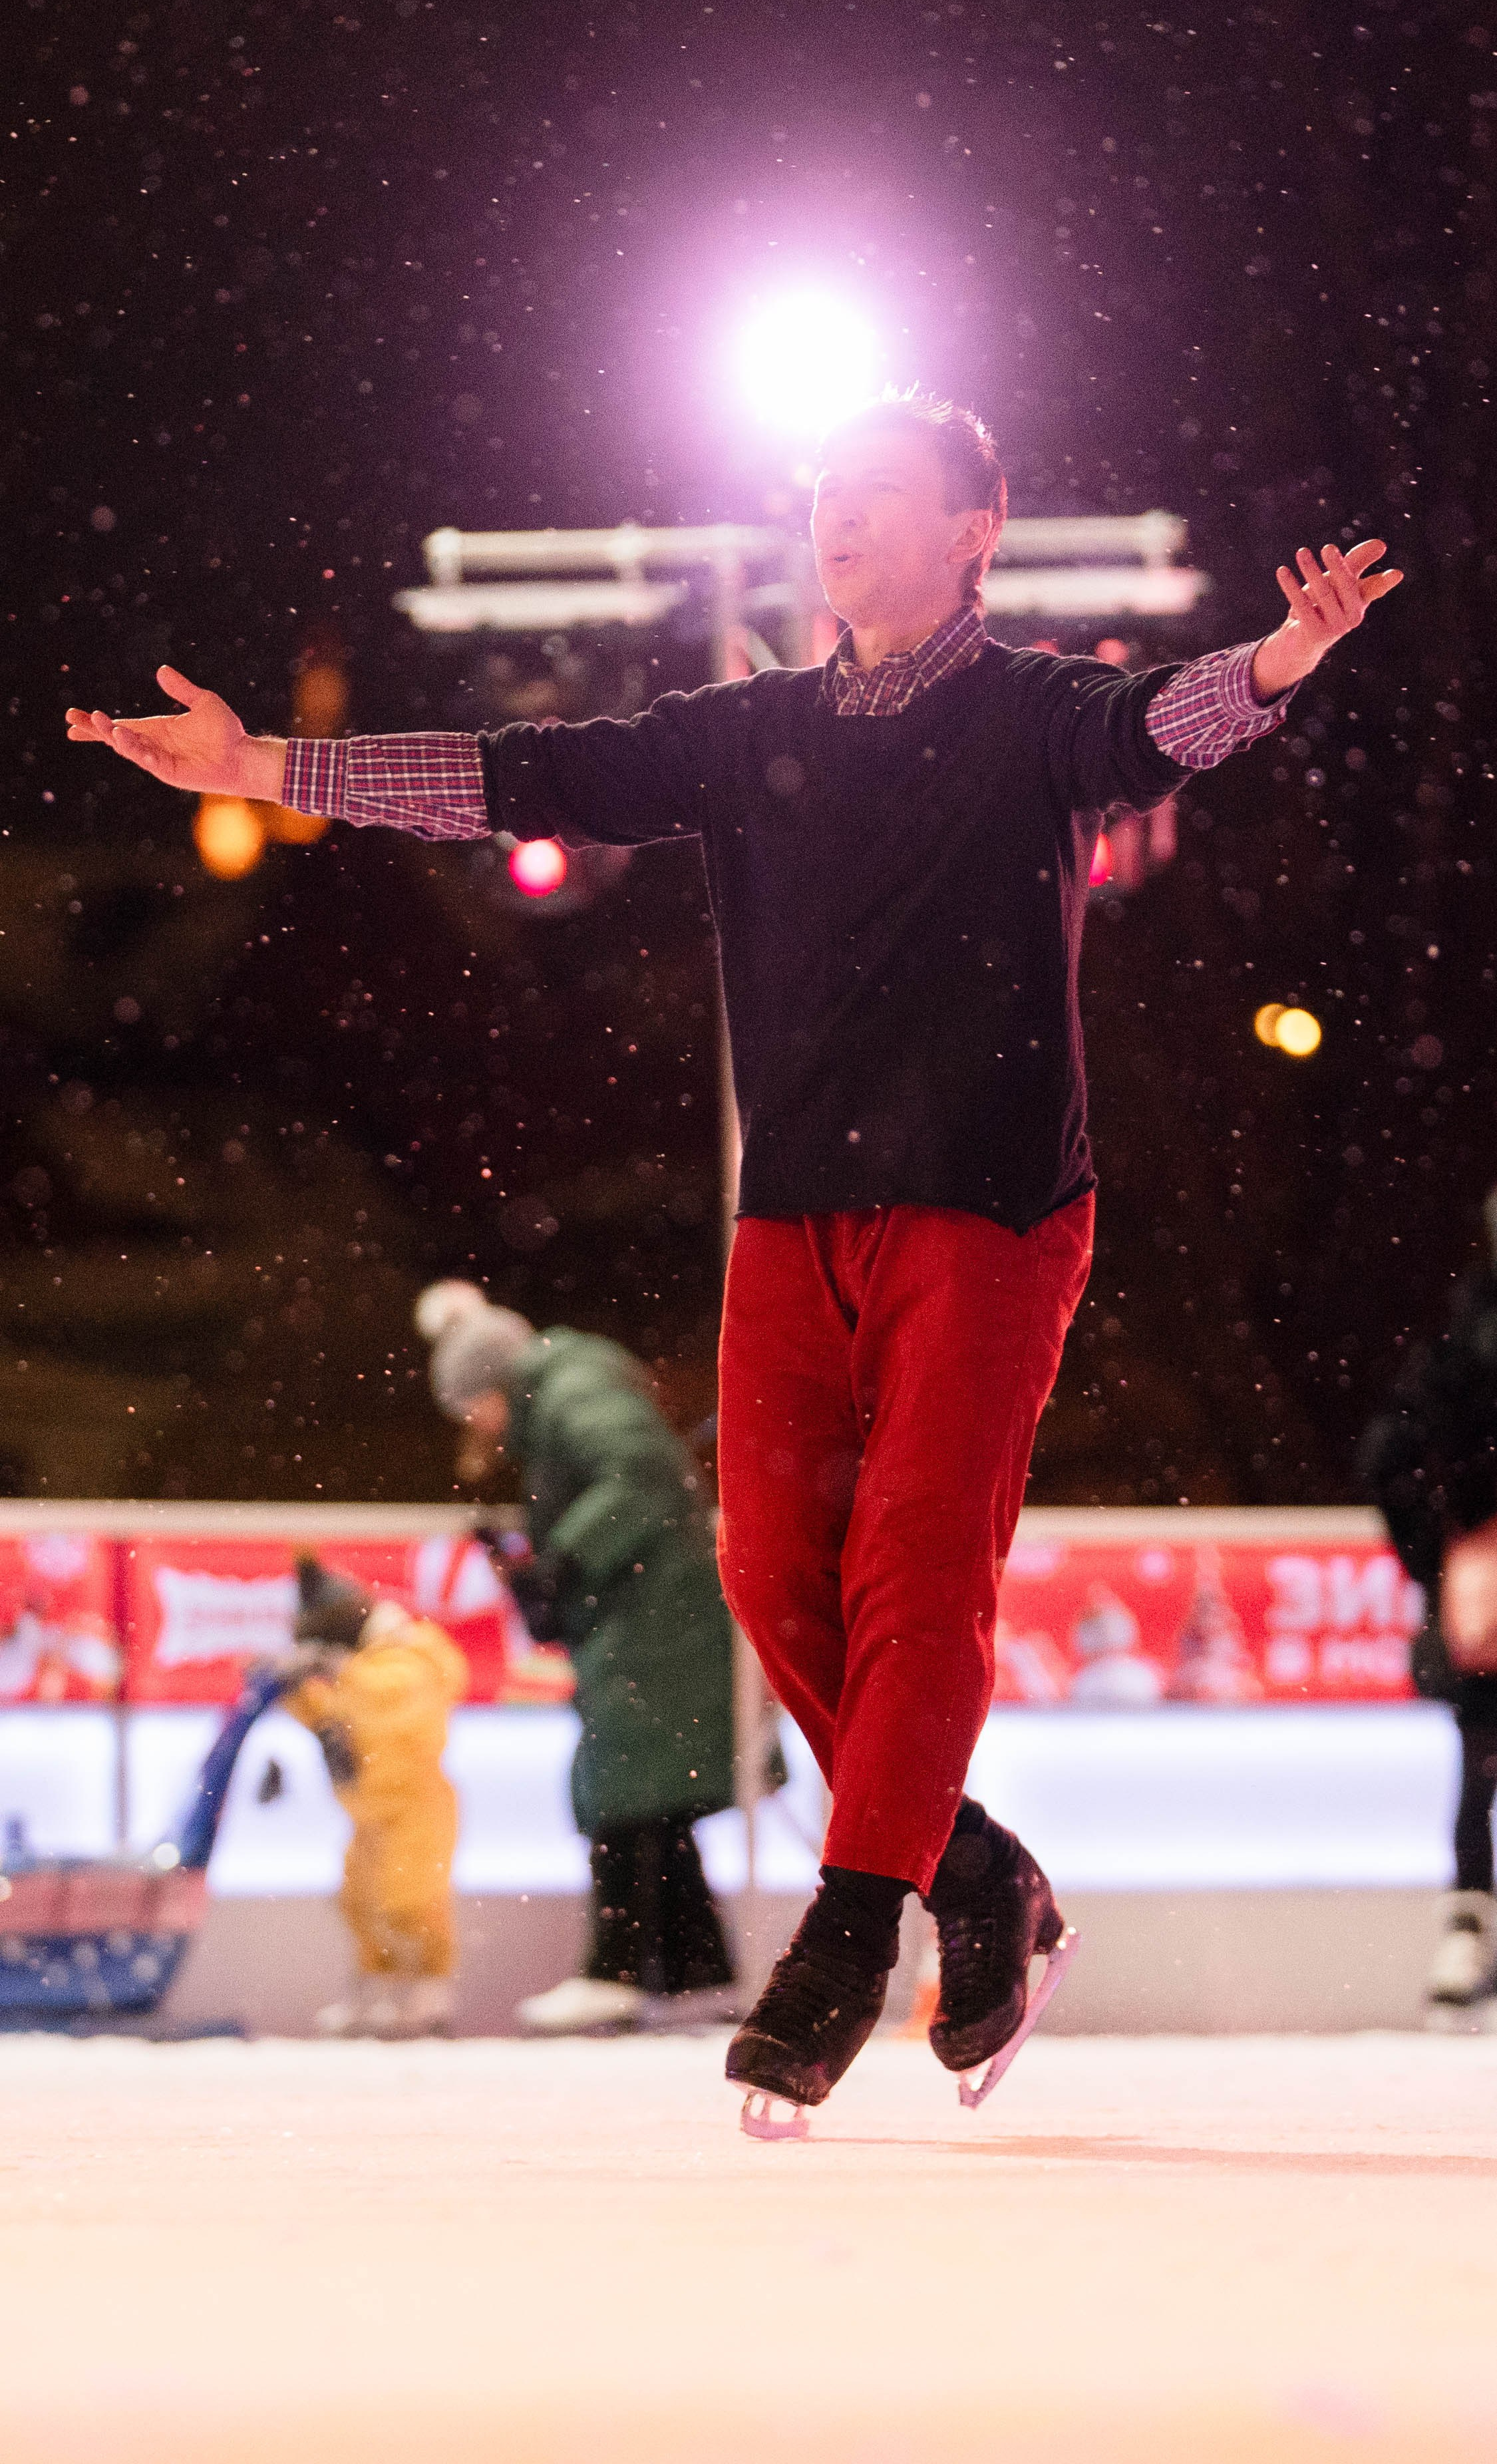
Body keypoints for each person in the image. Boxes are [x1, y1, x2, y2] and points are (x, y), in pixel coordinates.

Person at [67, 389, 1401, 2129]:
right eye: (825, 495)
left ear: (971, 533)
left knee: (917, 1573)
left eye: (880, 496)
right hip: (792, 1217)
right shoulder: (745, 727)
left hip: (991, 1211)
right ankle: (975, 1870)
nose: (838, 522)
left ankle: (851, 1934)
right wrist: (267, 771)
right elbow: (517, 780)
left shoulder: (1033, 713)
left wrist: (1283, 657)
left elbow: (1165, 726)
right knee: (771, 1575)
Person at [414, 1280, 741, 2032]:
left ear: (494, 1382)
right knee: (654, 1794)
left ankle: (616, 1969)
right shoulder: (567, 1391)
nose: (477, 1426)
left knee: (623, 1784)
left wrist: (560, 1559)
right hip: (652, 1613)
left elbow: (645, 1477)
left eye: (472, 1406)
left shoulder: (573, 1388)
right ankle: (700, 1974)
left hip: (655, 1621)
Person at [1360, 1196, 1497, 2022]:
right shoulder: (1462, 1349)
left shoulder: (1457, 1346)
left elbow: (1389, 1455)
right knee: (1480, 1757)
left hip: (1478, 1586)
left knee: (1480, 1760)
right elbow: (1391, 1456)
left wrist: (1443, 1551)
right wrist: (1446, 1551)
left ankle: (1467, 1932)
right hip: (1482, 1593)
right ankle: (1467, 1932)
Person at [280, 1552, 469, 2038]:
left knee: (411, 1899)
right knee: (359, 1902)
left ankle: (430, 1989)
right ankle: (379, 1985)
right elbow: (331, 1717)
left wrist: (339, 1671)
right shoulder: (358, 1669)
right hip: (367, 1813)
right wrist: (291, 1688)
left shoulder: (413, 1654)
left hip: (416, 1808)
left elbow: (389, 1699)